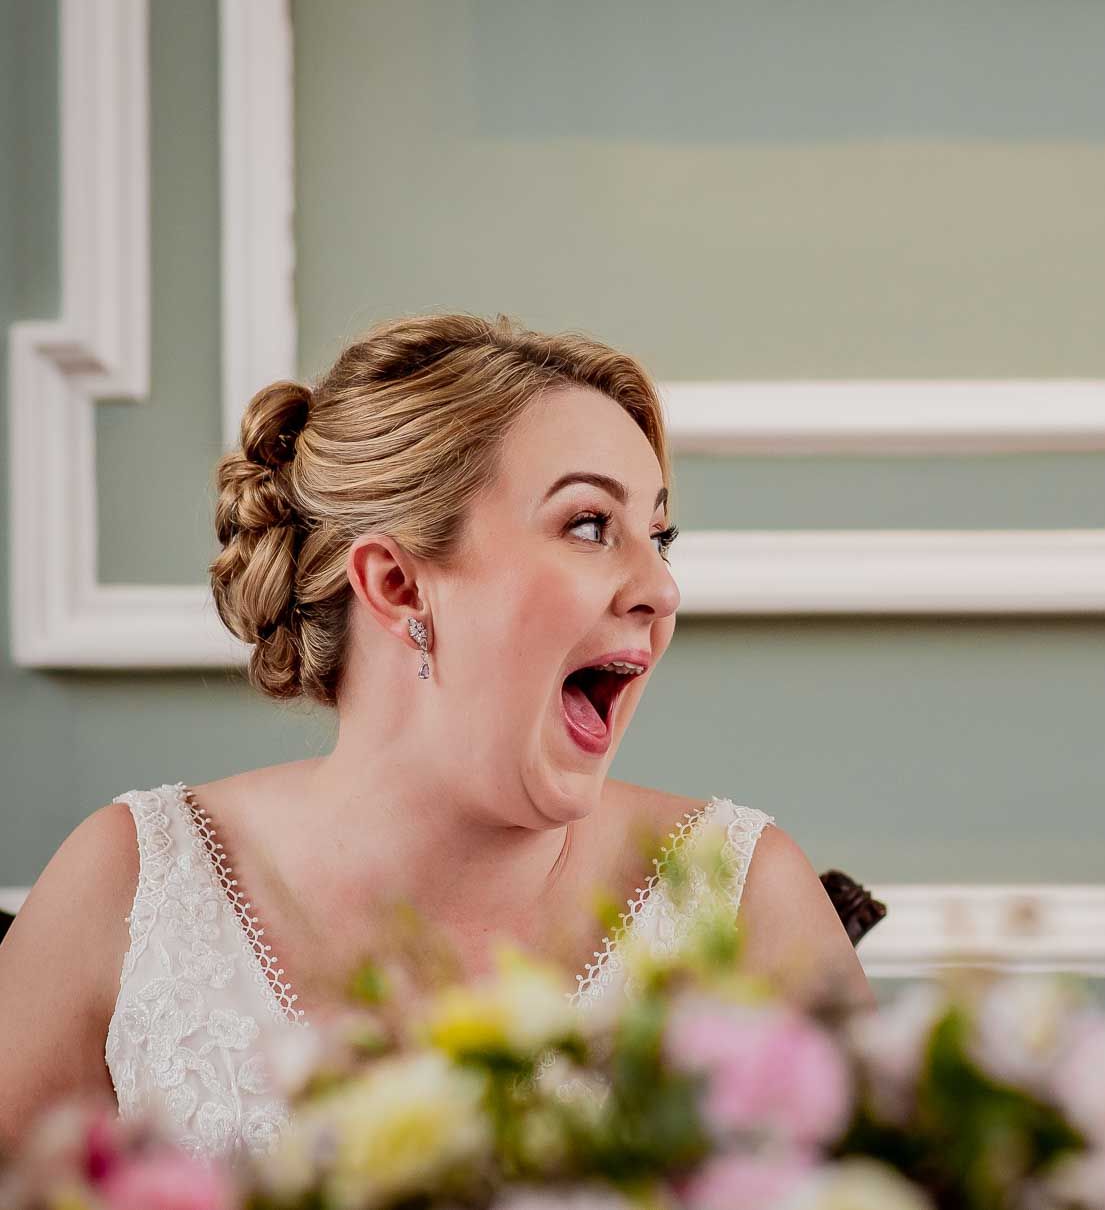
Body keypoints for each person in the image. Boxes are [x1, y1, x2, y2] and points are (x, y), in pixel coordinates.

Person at [0, 315, 870, 1155]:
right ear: (396, 584)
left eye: (659, 535)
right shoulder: (127, 887)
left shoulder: (745, 899)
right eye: (590, 525)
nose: (661, 589)